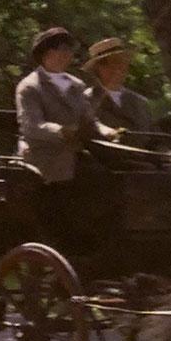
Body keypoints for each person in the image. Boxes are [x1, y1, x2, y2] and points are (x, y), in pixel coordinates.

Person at [15, 27, 120, 262]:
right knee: (89, 178)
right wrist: (61, 131)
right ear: (45, 54)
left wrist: (107, 132)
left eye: (69, 50)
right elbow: (32, 126)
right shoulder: (29, 87)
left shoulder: (76, 85)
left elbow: (90, 121)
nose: (67, 55)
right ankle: (74, 242)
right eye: (61, 50)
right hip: (43, 156)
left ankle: (97, 240)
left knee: (110, 177)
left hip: (75, 154)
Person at [82, 37, 157, 132]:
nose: (118, 68)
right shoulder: (87, 100)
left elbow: (152, 136)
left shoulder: (140, 103)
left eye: (122, 62)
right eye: (112, 63)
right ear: (97, 68)